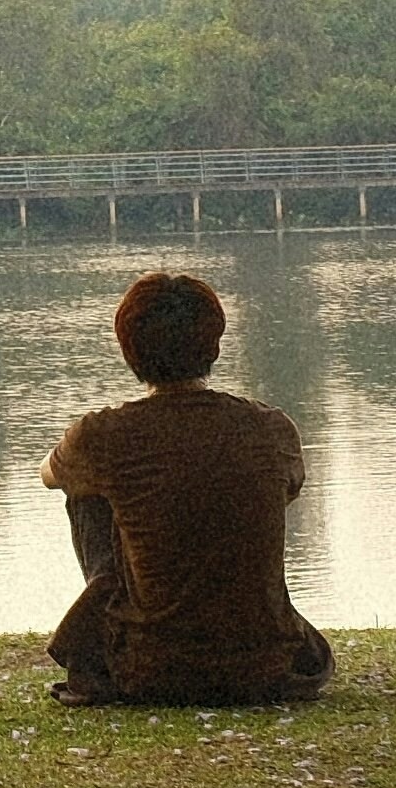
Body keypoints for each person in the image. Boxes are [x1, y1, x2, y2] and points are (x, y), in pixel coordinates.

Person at [37, 269, 329, 707]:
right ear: (213, 345)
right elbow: (285, 491)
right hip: (269, 666)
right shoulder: (271, 428)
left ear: (129, 350)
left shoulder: (105, 434)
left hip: (150, 669)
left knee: (86, 493)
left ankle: (113, 635)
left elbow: (49, 475)